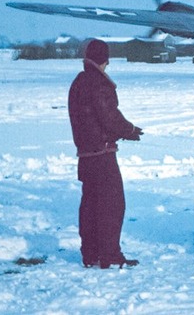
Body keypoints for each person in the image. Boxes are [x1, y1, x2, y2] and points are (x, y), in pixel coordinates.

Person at [68, 39, 143, 269]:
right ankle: (109, 255)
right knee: (112, 206)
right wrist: (129, 130)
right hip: (102, 154)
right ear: (104, 60)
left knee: (90, 206)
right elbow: (108, 116)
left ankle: (90, 254)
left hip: (85, 155)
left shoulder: (78, 82)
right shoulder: (99, 84)